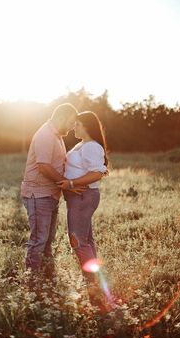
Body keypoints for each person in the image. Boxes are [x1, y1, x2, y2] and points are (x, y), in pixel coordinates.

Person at [21, 103, 85, 285]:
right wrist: (67, 185)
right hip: (38, 195)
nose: (73, 127)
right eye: (72, 122)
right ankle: (32, 281)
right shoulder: (46, 135)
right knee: (39, 240)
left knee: (48, 239)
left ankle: (48, 276)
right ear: (62, 117)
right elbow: (44, 167)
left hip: (49, 195)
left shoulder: (56, 135)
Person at [57, 111, 109, 308]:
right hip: (78, 197)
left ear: (87, 125)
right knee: (86, 241)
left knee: (78, 242)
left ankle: (93, 289)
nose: (74, 127)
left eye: (77, 124)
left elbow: (97, 173)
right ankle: (95, 287)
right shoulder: (82, 145)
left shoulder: (92, 146)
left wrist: (71, 183)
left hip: (83, 196)